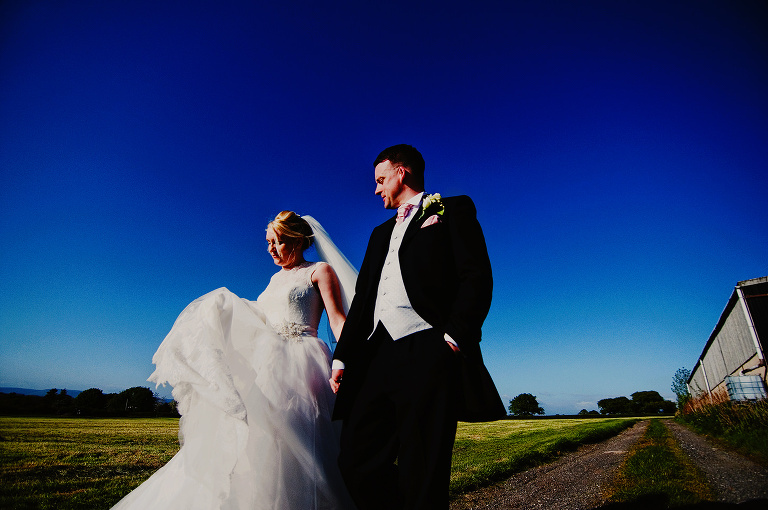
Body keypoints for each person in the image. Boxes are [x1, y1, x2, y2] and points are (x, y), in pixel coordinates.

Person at [111, 211, 358, 510]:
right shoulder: (273, 279)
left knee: (305, 439)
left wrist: (343, 360)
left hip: (305, 361)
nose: (270, 249)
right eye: (268, 242)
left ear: (296, 239)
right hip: (269, 363)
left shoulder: (319, 271)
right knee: (262, 438)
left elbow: (337, 320)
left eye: (277, 241)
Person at [330, 144, 506, 510]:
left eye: (380, 180)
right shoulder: (379, 234)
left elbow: (476, 276)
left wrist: (456, 335)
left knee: (423, 467)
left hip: (429, 348)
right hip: (376, 354)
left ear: (401, 172)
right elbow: (363, 300)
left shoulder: (452, 209)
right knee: (354, 461)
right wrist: (342, 357)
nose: (376, 189)